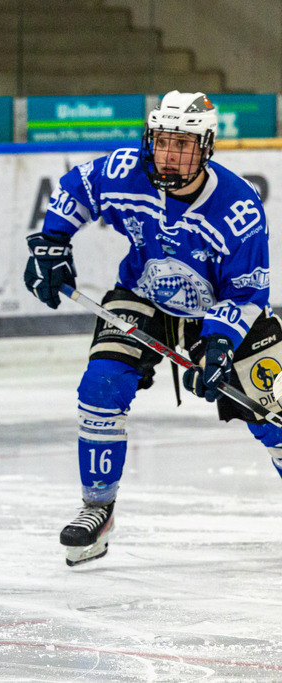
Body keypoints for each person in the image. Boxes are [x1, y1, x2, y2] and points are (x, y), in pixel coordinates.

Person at [24, 90, 279, 567]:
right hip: (143, 296)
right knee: (101, 385)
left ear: (206, 148)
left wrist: (219, 346)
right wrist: (52, 244)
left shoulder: (238, 208)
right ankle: (98, 509)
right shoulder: (127, 170)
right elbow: (77, 187)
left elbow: (246, 294)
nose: (169, 155)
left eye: (182, 145)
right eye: (162, 142)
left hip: (217, 313)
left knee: (273, 409)